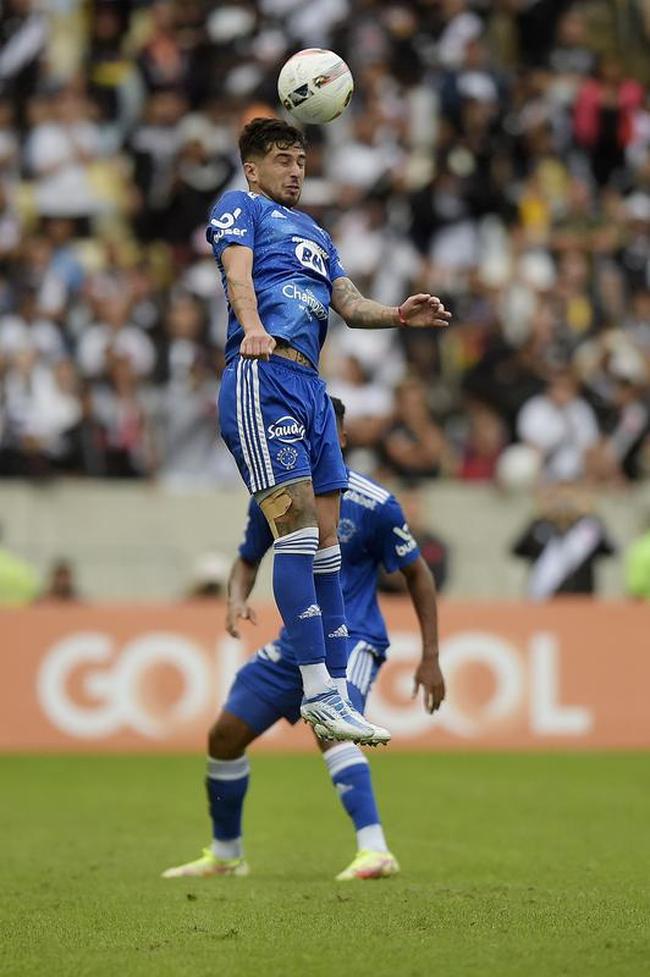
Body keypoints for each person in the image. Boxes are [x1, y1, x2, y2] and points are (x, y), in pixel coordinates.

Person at [209, 117, 450, 745]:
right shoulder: (242, 207)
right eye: (282, 159)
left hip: (313, 389)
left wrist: (397, 314)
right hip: (264, 373)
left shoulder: (317, 233)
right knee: (296, 534)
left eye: (300, 160)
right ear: (253, 168)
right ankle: (319, 690)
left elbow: (347, 304)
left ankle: (333, 692)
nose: (295, 169)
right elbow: (237, 273)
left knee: (326, 546)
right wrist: (253, 324)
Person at [163, 398, 445, 882]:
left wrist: (431, 657)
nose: (311, 439)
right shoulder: (275, 496)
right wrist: (236, 597)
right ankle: (227, 854)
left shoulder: (375, 504)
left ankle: (374, 849)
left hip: (351, 637)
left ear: (341, 438)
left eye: (323, 430)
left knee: (329, 726)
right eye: (301, 430)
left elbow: (418, 576)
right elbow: (249, 556)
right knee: (224, 736)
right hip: (293, 644)